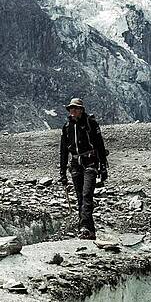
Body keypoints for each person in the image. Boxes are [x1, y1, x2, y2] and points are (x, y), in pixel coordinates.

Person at [58, 98, 108, 240]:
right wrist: (62, 172)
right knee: (80, 197)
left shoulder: (90, 124)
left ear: (81, 109)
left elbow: (100, 145)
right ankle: (88, 231)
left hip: (90, 163)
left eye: (75, 108)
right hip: (75, 164)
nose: (72, 111)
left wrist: (103, 166)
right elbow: (63, 151)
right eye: (71, 108)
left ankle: (84, 226)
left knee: (87, 195)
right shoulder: (67, 127)